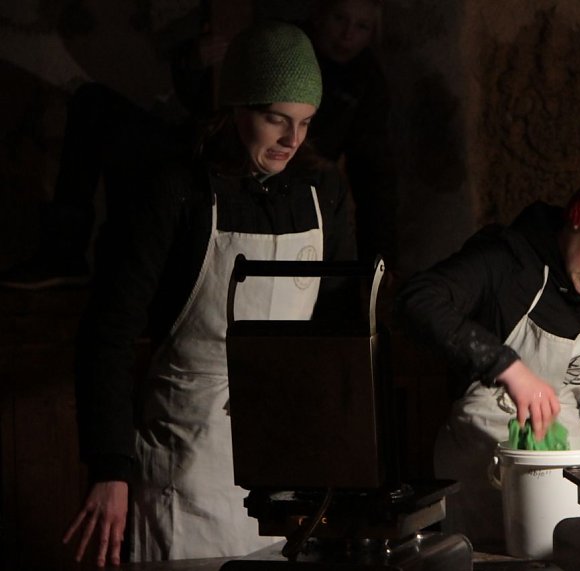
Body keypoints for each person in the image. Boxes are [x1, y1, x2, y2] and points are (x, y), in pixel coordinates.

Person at [62, 21, 354, 565]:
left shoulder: (321, 195)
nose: (292, 140)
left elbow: (336, 330)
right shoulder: (178, 190)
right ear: (236, 107)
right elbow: (108, 331)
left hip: (284, 453)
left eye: (305, 123)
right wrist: (110, 467)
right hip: (186, 455)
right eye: (276, 120)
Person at [395, 164, 580, 550]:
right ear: (578, 222)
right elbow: (417, 299)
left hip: (569, 494)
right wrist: (505, 366)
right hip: (486, 479)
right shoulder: (506, 261)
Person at [0, 6, 226, 290]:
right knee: (91, 103)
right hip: (193, 133)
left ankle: (82, 257)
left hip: (212, 149)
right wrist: (192, 60)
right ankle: (64, 252)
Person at [301, 0, 399, 269]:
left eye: (362, 26)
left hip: (310, 191)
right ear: (319, 16)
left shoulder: (366, 79)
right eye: (339, 19)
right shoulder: (291, 50)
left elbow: (373, 170)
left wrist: (379, 257)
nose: (347, 35)